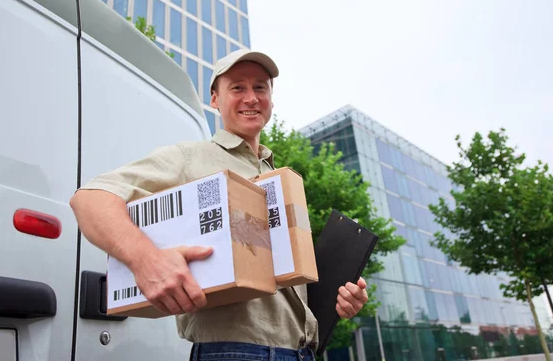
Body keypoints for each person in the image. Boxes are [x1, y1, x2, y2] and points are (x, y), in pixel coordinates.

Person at [69, 49, 369, 361]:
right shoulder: (190, 157)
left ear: (271, 99)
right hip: (234, 353)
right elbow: (90, 198)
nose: (251, 98)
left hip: (302, 353)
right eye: (238, 87)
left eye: (260, 87)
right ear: (215, 99)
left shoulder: (279, 178)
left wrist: (340, 302)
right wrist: (146, 260)